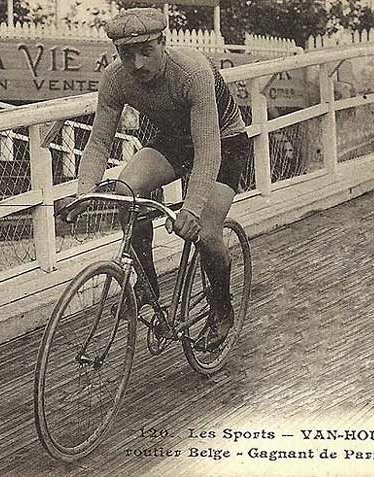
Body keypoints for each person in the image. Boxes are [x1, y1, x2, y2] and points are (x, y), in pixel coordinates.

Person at [69, 8, 251, 352]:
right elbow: (99, 140)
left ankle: (222, 307)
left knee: (208, 232)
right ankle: (146, 284)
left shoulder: (191, 71)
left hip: (222, 141)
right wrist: (84, 192)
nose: (137, 64)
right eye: (126, 54)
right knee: (126, 192)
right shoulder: (114, 79)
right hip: (173, 139)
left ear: (163, 43)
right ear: (117, 53)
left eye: (146, 51)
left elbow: (208, 150)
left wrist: (192, 209)